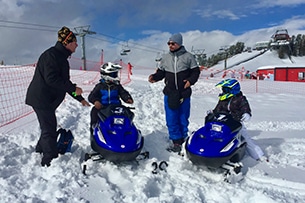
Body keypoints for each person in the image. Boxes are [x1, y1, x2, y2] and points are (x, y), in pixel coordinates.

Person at [25, 26, 90, 167]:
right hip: (41, 99)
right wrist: (74, 88)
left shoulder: (60, 57)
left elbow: (64, 84)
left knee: (48, 126)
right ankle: (49, 160)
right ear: (67, 42)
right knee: (49, 128)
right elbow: (52, 79)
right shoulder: (51, 56)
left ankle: (40, 150)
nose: (77, 45)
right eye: (75, 42)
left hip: (47, 100)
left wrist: (80, 99)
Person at [148, 33, 200, 152]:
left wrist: (190, 81)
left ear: (179, 43)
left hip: (184, 92)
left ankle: (183, 137)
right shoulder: (165, 58)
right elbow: (161, 72)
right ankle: (176, 140)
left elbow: (195, 72)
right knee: (171, 118)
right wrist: (155, 77)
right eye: (169, 43)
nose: (170, 45)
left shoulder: (189, 57)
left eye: (173, 43)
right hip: (170, 92)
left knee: (183, 117)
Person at [210, 78, 265, 161]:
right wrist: (212, 113)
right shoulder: (223, 99)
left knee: (246, 138)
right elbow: (218, 108)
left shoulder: (240, 99)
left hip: (236, 123)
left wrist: (246, 113)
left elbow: (245, 107)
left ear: (233, 89)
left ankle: (258, 155)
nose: (224, 91)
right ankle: (214, 152)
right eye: (223, 89)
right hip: (223, 121)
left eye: (226, 89)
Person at [88, 62, 134, 136]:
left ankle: (129, 130)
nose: (115, 76)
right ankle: (93, 128)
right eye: (113, 74)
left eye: (115, 74)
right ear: (106, 75)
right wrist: (96, 101)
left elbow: (123, 93)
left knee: (128, 113)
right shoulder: (100, 86)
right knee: (94, 111)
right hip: (103, 107)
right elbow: (91, 96)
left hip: (116, 106)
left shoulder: (117, 86)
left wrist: (127, 98)